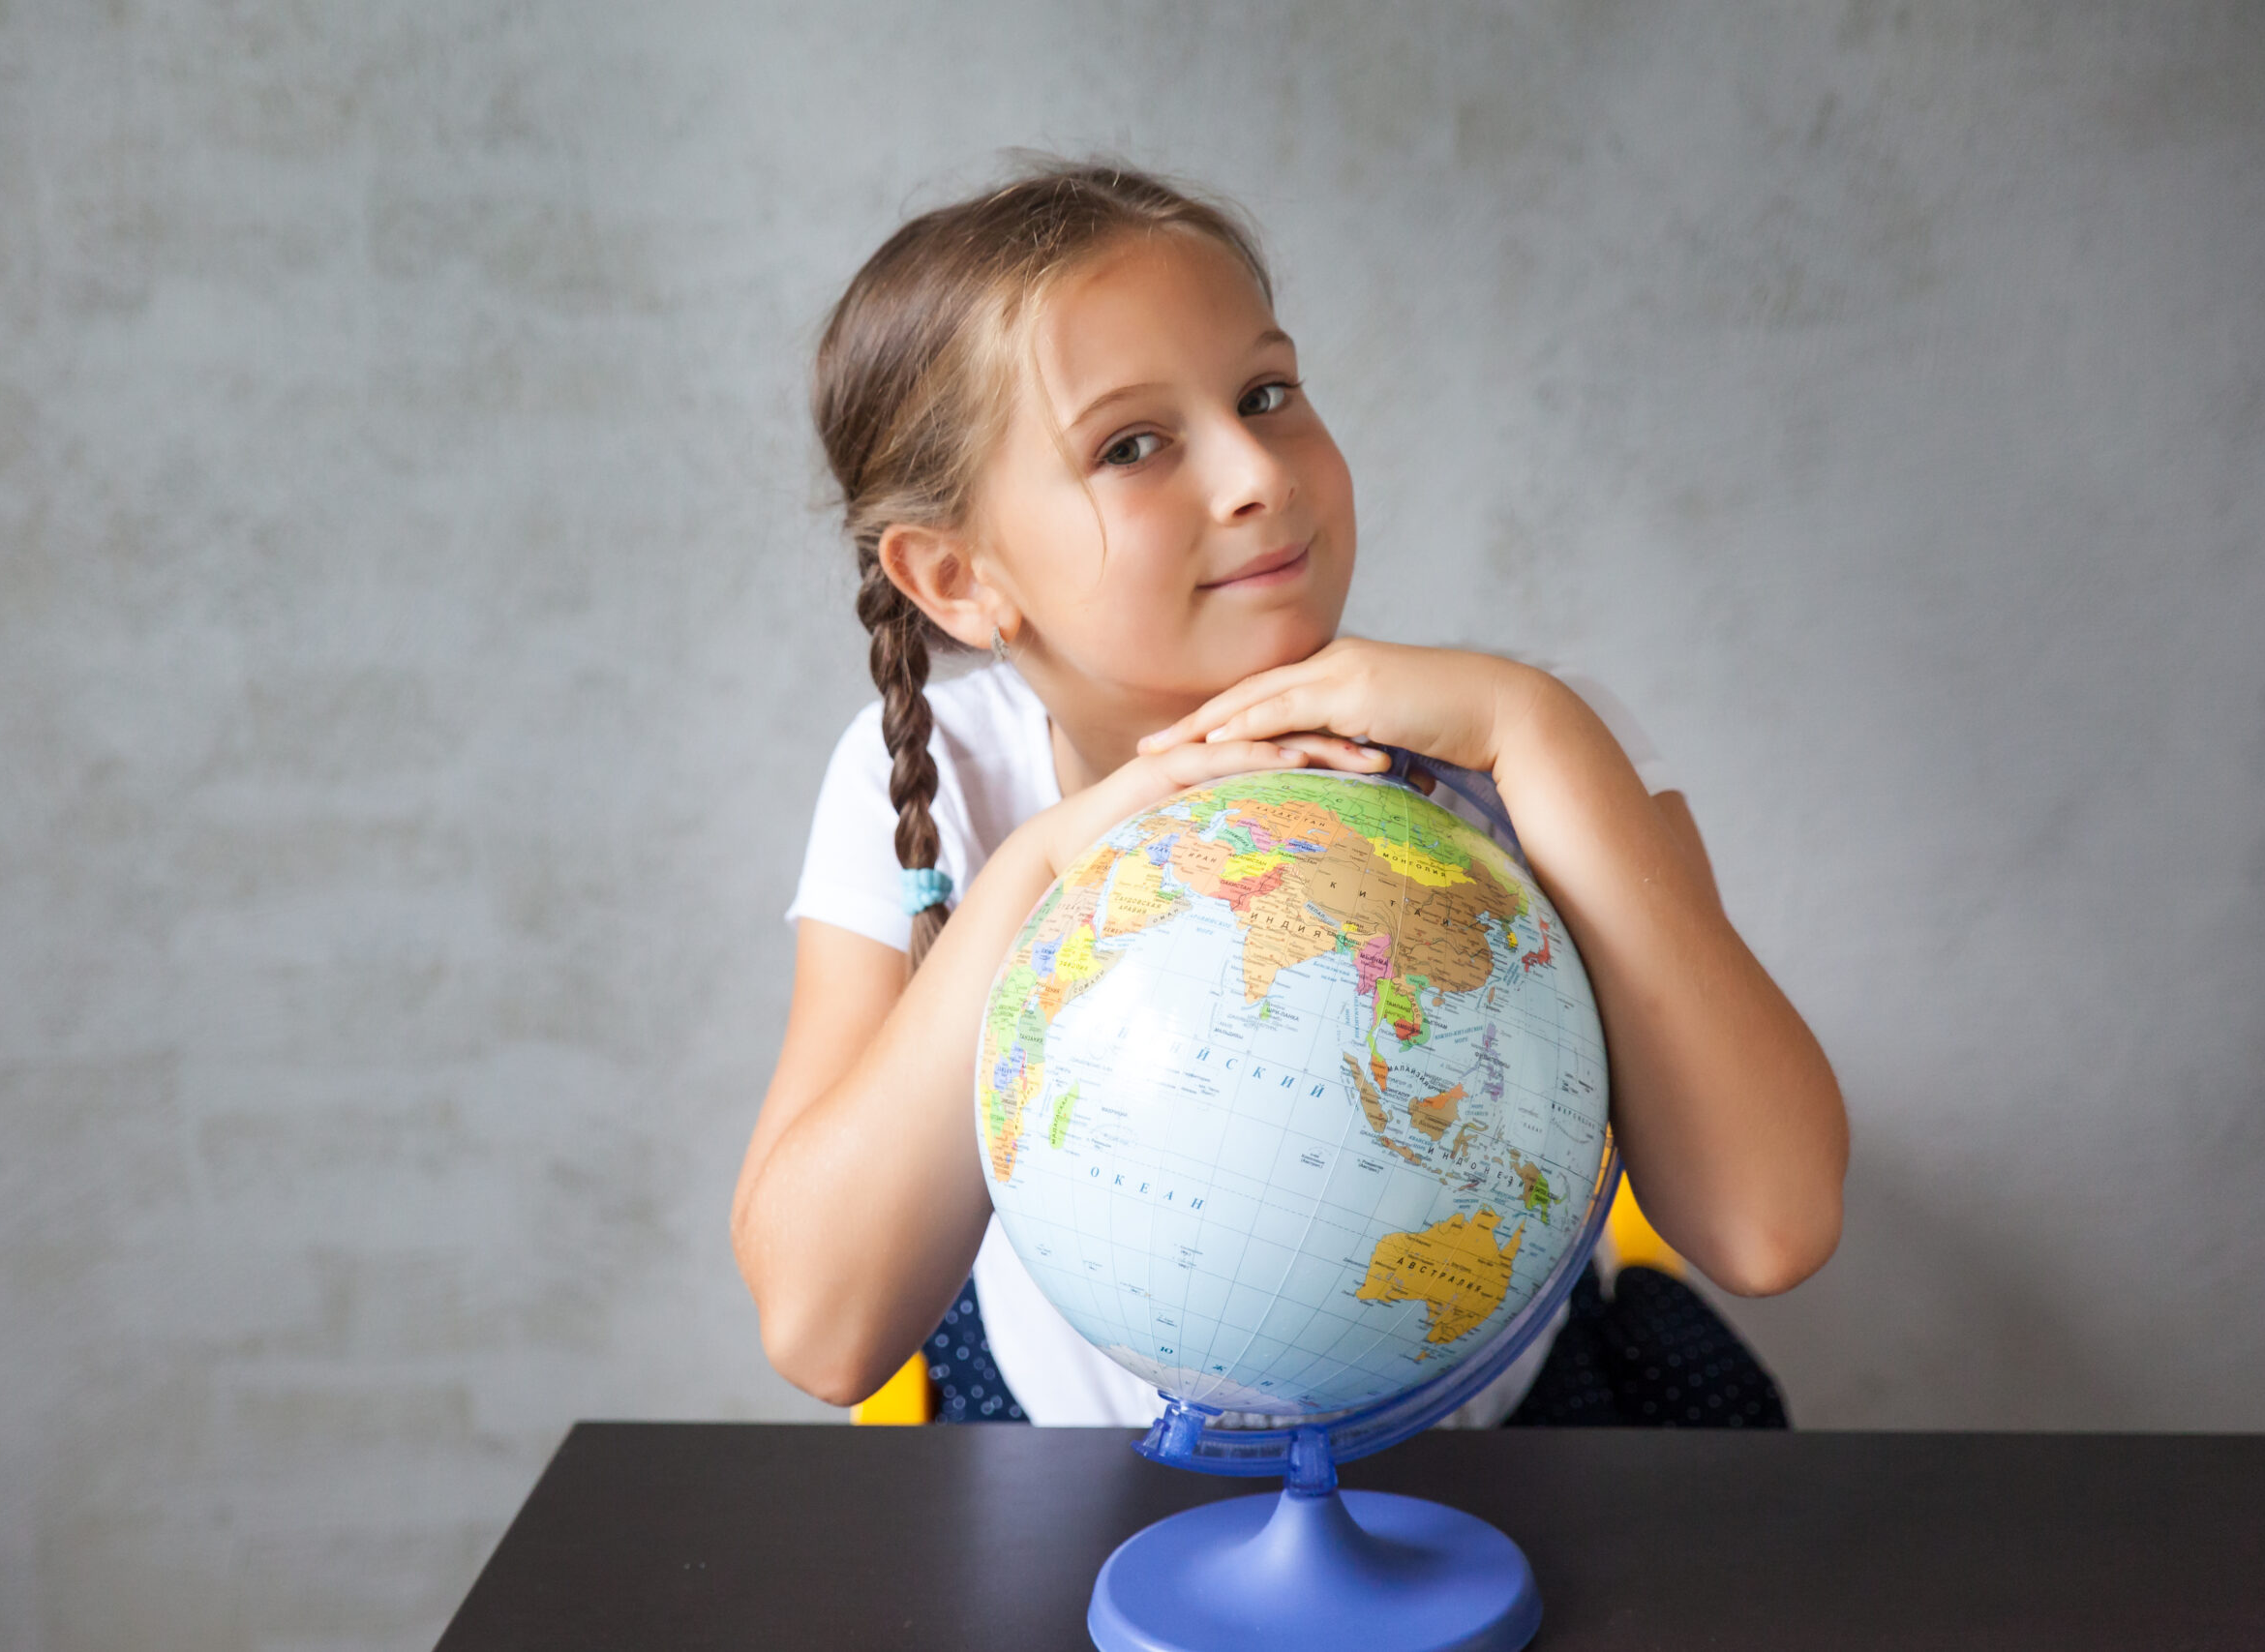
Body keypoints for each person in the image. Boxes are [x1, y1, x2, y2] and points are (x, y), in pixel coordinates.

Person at [732, 160, 1848, 1427]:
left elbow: (1770, 1224)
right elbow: (822, 1330)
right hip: (1073, 1474)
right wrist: (1034, 870)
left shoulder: (1524, 745)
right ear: (958, 579)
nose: (1256, 471)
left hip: (1509, 1442)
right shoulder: (937, 774)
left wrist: (1533, 724)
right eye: (1131, 446)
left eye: (1265, 394)